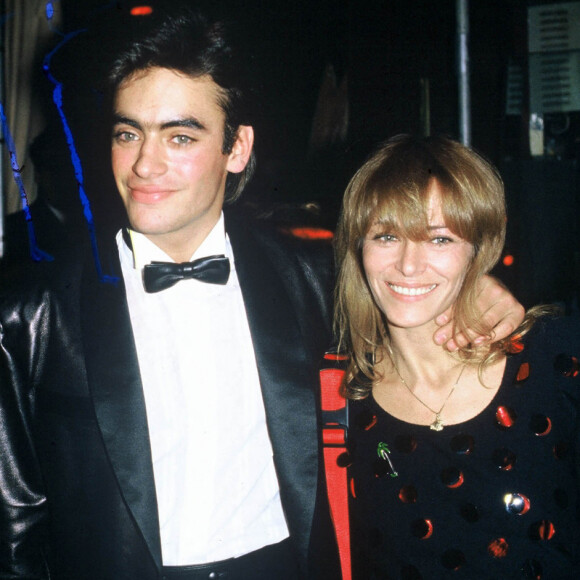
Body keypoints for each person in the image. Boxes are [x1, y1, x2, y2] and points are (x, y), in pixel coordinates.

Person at [0, 8, 523, 579]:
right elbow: (17, 527)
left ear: (237, 148)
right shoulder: (32, 312)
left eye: (180, 136)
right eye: (129, 133)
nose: (145, 165)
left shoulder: (316, 278)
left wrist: (484, 292)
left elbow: (419, 285)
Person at [334, 134, 580, 579]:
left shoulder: (556, 359)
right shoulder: (337, 402)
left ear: (479, 250)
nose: (409, 265)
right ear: (359, 248)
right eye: (387, 235)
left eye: (440, 239)